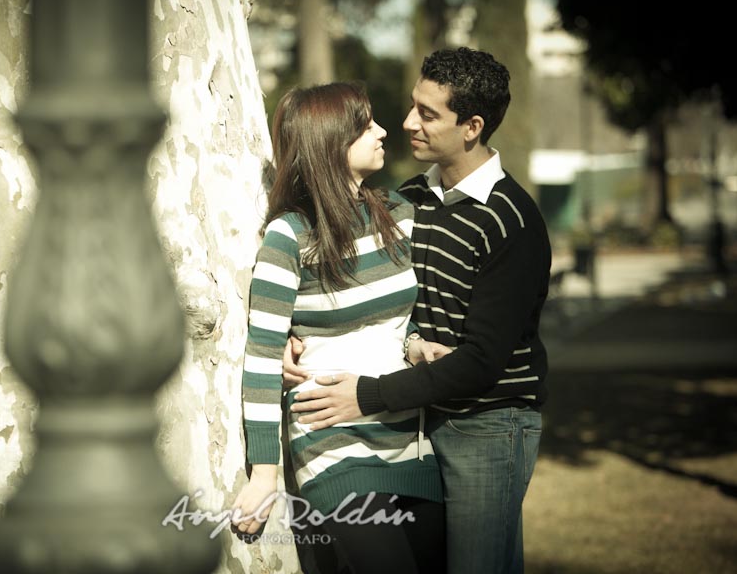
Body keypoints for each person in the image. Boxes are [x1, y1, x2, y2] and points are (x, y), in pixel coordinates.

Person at [288, 48, 552, 574]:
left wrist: (367, 395)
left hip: (488, 425)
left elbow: (481, 361)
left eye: (428, 114)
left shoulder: (511, 222)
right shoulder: (406, 201)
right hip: (414, 422)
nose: (408, 122)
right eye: (414, 106)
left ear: (472, 127)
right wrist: (296, 336)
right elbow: (352, 290)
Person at [231, 81, 447, 574]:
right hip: (332, 447)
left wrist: (414, 344)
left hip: (408, 440)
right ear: (331, 141)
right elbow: (262, 359)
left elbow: (402, 315)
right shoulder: (289, 237)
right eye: (364, 124)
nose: (383, 130)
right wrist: (264, 473)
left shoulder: (398, 216)